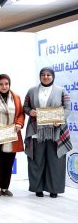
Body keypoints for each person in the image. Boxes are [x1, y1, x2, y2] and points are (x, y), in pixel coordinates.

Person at [23, 67, 72, 198]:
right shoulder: (32, 91)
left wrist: (60, 119)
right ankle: (37, 188)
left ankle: (54, 189)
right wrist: (30, 111)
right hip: (36, 131)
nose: (45, 77)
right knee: (36, 160)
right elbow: (25, 106)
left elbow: (67, 108)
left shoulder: (61, 91)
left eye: (48, 75)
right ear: (40, 76)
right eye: (43, 75)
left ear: (53, 76)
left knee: (55, 160)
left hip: (56, 130)